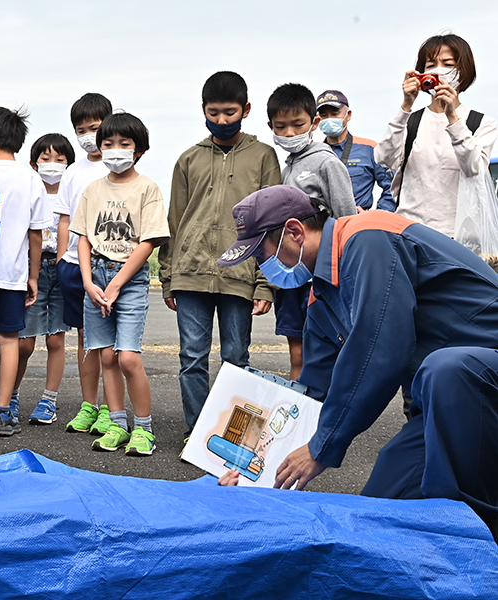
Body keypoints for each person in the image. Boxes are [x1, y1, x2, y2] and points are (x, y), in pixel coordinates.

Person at [217, 184, 498, 543]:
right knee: (376, 513)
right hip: (443, 407)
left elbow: (380, 345)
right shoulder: (320, 299)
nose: (263, 267)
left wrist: (322, 447)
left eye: (262, 254)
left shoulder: (370, 238)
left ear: (294, 232)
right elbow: (311, 397)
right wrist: (252, 467)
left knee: (446, 368)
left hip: (480, 381)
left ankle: (478, 539)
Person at [158, 71, 278, 445]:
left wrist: (266, 282)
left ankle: (233, 436)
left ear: (246, 109)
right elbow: (175, 220)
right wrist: (168, 275)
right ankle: (197, 434)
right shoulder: (188, 159)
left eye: (230, 112)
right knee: (191, 357)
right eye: (214, 112)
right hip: (191, 272)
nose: (222, 121)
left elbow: (272, 222)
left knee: (236, 359)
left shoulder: (263, 156)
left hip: (239, 273)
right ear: (203, 110)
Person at [70, 111, 170, 456]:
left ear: (138, 149)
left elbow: (148, 242)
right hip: (95, 276)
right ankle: (116, 423)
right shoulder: (92, 189)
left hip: (127, 279)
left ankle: (144, 429)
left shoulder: (148, 188)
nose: (115, 150)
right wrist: (88, 282)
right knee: (106, 357)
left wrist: (115, 285)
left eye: (123, 144)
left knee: (127, 357)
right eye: (108, 143)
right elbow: (83, 237)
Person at [267, 83, 356, 380]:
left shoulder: (326, 163)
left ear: (314, 123)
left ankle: (326, 419)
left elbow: (347, 220)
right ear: (271, 126)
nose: (290, 133)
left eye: (298, 125)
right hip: (292, 275)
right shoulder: (287, 167)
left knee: (324, 353)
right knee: (296, 353)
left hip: (320, 276)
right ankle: (299, 419)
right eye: (281, 127)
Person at [375, 33, 497, 237]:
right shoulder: (411, 120)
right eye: (430, 65)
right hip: (409, 232)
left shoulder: (482, 123)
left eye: (448, 63)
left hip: (458, 235)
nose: (438, 70)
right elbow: (383, 158)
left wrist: (452, 117)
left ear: (463, 72)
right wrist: (406, 105)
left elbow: (474, 168)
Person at [0, 107, 52, 437]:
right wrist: (32, 276)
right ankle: (4, 411)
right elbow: (36, 233)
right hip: (13, 274)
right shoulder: (31, 178)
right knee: (8, 341)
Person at [55, 92, 119, 436]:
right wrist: (66, 257)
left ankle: (113, 408)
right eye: (81, 129)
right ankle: (89, 405)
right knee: (84, 339)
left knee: (110, 342)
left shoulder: (120, 167)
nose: (88, 136)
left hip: (109, 266)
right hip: (74, 267)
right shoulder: (72, 172)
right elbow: (64, 218)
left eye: (94, 127)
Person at [14, 133, 75, 425]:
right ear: (33, 163)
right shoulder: (29, 191)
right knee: (23, 342)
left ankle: (49, 400)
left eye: (60, 160)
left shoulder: (73, 193)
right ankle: (10, 396)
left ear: (69, 164)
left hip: (61, 267)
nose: (52, 165)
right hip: (31, 269)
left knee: (55, 340)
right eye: (46, 159)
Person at [316, 90, 396, 212]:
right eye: (324, 115)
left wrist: (377, 217)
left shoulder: (370, 148)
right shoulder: (315, 154)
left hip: (357, 223)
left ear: (348, 115)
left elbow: (392, 186)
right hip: (323, 225)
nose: (329, 119)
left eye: (334, 113)